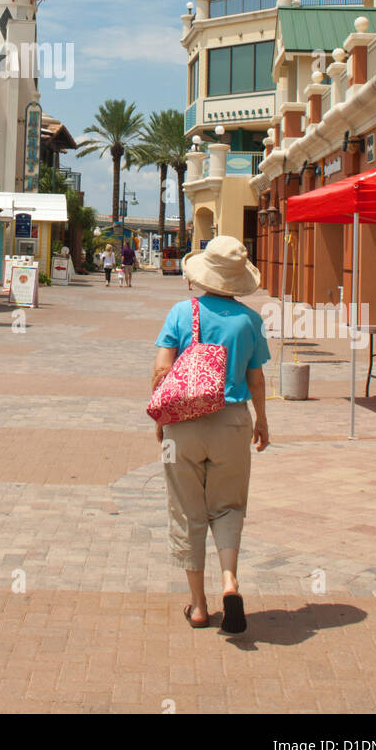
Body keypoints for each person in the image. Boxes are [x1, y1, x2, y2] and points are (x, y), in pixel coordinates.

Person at [151, 236, 270, 634]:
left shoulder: (181, 313)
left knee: (186, 510)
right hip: (232, 422)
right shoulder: (250, 321)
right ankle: (230, 581)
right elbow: (256, 378)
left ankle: (198, 606)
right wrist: (262, 420)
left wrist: (160, 420)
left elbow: (161, 372)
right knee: (228, 505)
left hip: (182, 426)